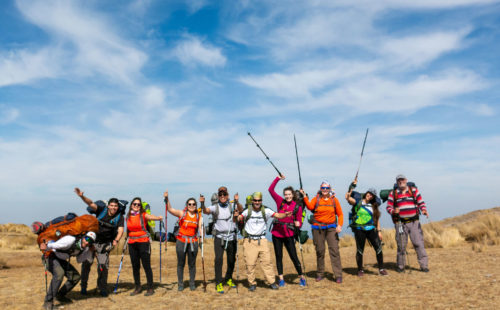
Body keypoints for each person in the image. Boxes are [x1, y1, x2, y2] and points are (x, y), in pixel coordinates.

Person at [236, 192, 292, 291]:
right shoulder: (247, 211)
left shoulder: (265, 210)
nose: (257, 202)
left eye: (259, 200)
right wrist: (237, 216)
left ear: (261, 201)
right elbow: (240, 217)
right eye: (255, 200)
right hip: (249, 241)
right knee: (250, 264)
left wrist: (285, 215)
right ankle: (252, 283)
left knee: (267, 263)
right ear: (252, 201)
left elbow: (277, 215)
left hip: (262, 240)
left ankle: (271, 282)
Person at [74, 188, 124, 296]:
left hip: (105, 244)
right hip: (92, 241)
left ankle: (102, 289)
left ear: (118, 207)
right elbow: (91, 203)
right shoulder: (101, 210)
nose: (114, 207)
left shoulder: (120, 217)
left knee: (103, 267)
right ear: (108, 206)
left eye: (115, 206)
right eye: (112, 205)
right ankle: (83, 287)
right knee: (86, 264)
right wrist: (82, 196)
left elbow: (120, 230)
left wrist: (116, 240)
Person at [300, 180, 343, 283]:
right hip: (317, 228)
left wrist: (339, 225)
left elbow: (340, 214)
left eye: (327, 188)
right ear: (320, 189)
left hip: (331, 228)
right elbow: (310, 207)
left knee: (334, 250)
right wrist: (305, 196)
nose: (325, 190)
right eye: (323, 188)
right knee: (320, 251)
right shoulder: (316, 199)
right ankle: (320, 273)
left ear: (329, 189)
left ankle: (338, 275)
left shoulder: (334, 200)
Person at [202, 186, 243, 294]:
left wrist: (237, 202)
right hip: (219, 237)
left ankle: (228, 278)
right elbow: (206, 211)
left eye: (224, 194)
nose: (222, 196)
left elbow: (241, 209)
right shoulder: (215, 207)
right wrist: (202, 203)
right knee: (218, 260)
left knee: (231, 260)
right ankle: (219, 283)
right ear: (218, 196)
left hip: (231, 237)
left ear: (228, 195)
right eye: (220, 195)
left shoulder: (233, 205)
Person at [40, 231, 96, 310]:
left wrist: (90, 251)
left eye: (90, 241)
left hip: (61, 260)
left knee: (75, 277)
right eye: (87, 238)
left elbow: (79, 260)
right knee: (59, 274)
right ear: (83, 237)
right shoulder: (70, 240)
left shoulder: (85, 248)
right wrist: (45, 246)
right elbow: (53, 245)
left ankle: (60, 296)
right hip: (50, 256)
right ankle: (48, 302)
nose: (87, 242)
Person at [386, 174, 429, 273]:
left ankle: (424, 266)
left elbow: (421, 202)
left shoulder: (413, 190)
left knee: (418, 244)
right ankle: (401, 267)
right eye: (398, 180)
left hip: (414, 222)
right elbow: (388, 207)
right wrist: (393, 211)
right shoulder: (393, 193)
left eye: (402, 179)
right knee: (401, 245)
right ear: (397, 182)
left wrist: (424, 210)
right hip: (400, 223)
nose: (400, 181)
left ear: (406, 180)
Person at [268, 174, 306, 287]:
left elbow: (299, 221)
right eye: (286, 194)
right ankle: (281, 279)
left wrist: (298, 225)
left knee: (293, 256)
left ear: (293, 195)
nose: (287, 196)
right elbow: (270, 190)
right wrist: (278, 178)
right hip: (276, 233)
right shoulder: (280, 201)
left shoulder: (297, 206)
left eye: (289, 194)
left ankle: (301, 277)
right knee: (278, 256)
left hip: (289, 234)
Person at [345, 180, 388, 276]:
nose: (370, 195)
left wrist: (379, 231)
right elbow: (348, 198)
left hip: (371, 229)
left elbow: (376, 219)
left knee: (379, 248)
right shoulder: (357, 202)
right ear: (366, 193)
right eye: (369, 193)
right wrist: (352, 186)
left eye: (372, 195)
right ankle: (360, 270)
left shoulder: (374, 206)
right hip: (360, 229)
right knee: (360, 250)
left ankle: (381, 269)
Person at [164, 190, 202, 291]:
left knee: (192, 264)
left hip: (193, 242)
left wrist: (201, 240)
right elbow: (170, 209)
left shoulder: (198, 215)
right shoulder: (182, 213)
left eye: (194, 204)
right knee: (180, 264)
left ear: (196, 205)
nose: (192, 205)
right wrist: (167, 199)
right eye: (190, 204)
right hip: (181, 241)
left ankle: (192, 283)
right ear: (187, 205)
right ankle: (180, 284)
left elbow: (201, 228)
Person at [127, 197, 163, 296]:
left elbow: (151, 217)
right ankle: (137, 287)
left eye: (138, 205)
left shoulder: (143, 215)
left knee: (146, 266)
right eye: (135, 204)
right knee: (135, 266)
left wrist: (158, 218)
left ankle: (150, 288)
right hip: (132, 243)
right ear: (131, 205)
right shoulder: (128, 216)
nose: (136, 206)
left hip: (143, 242)